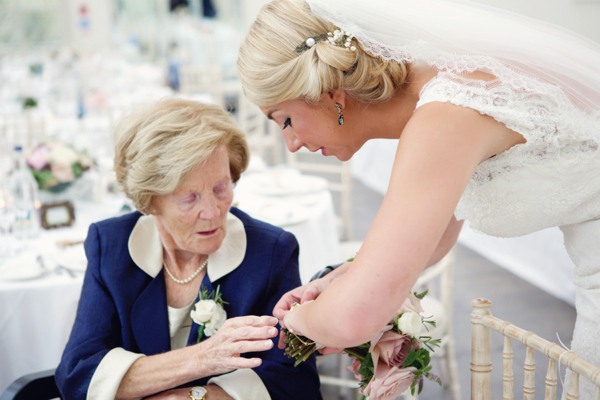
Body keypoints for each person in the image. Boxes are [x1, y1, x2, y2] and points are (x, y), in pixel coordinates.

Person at [236, 0, 600, 397]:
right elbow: (433, 239)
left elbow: (355, 316)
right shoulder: (442, 93)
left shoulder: (445, 117)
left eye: (285, 120)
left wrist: (297, 321)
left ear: (330, 96)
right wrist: (339, 280)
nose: (290, 144)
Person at [55, 98, 321, 400]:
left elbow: (294, 382)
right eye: (189, 198)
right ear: (150, 200)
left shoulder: (270, 252)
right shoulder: (112, 247)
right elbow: (78, 376)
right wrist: (202, 358)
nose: (213, 211)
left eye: (221, 188)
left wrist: (193, 397)